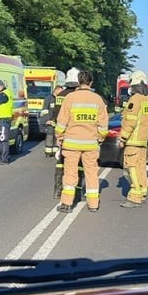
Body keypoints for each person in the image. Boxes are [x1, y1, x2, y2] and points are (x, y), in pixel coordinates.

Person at [54, 70, 108, 213]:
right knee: (91, 173)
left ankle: (66, 203)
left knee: (70, 174)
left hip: (71, 144)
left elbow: (61, 123)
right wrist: (100, 139)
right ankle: (93, 204)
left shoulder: (70, 98)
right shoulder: (98, 100)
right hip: (90, 144)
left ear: (79, 82)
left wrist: (59, 138)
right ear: (90, 82)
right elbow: (103, 126)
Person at [118, 71, 148, 208]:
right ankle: (142, 192)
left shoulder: (135, 99)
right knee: (141, 168)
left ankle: (135, 196)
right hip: (143, 141)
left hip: (133, 140)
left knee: (132, 168)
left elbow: (130, 121)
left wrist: (122, 138)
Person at [51, 68, 82, 199]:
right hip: (78, 135)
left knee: (61, 162)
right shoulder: (80, 95)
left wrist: (58, 135)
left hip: (63, 134)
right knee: (79, 165)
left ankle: (58, 190)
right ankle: (78, 192)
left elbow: (56, 116)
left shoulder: (61, 95)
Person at [40, 71, 66, 157]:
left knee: (57, 137)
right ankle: (48, 152)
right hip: (50, 121)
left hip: (58, 121)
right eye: (61, 91)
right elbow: (44, 111)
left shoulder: (60, 99)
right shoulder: (48, 98)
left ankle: (55, 151)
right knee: (50, 136)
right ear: (57, 90)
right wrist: (46, 120)